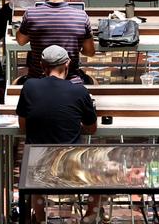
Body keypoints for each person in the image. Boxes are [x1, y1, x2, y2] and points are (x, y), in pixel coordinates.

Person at [16, 44, 98, 223]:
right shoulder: (79, 91)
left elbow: (23, 125)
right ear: (67, 64)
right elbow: (92, 128)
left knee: (33, 164)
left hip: (37, 169)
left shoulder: (29, 86)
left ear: (42, 65)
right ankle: (91, 214)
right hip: (70, 169)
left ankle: (39, 216)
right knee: (100, 165)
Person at [16, 0, 95, 80]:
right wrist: (78, 47)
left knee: (16, 81)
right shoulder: (81, 16)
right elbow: (90, 52)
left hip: (37, 80)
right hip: (71, 82)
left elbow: (20, 41)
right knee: (93, 81)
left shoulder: (31, 14)